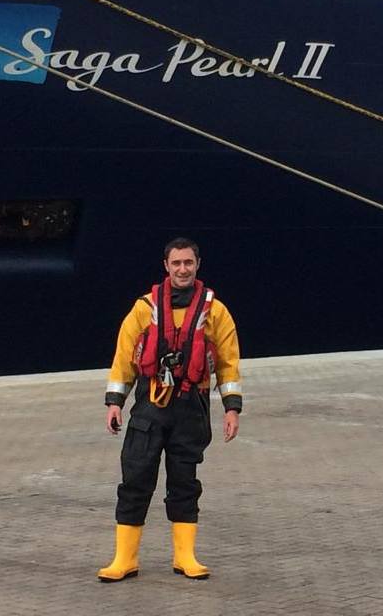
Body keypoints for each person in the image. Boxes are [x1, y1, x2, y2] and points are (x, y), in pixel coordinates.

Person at [97, 237, 241, 582]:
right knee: (135, 478)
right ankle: (124, 560)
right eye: (176, 263)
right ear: (166, 266)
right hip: (149, 406)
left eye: (188, 262)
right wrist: (115, 402)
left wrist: (232, 408)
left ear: (198, 265)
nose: (182, 269)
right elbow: (123, 358)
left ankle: (185, 557)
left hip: (191, 408)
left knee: (184, 483)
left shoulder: (216, 312)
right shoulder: (143, 308)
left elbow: (228, 363)